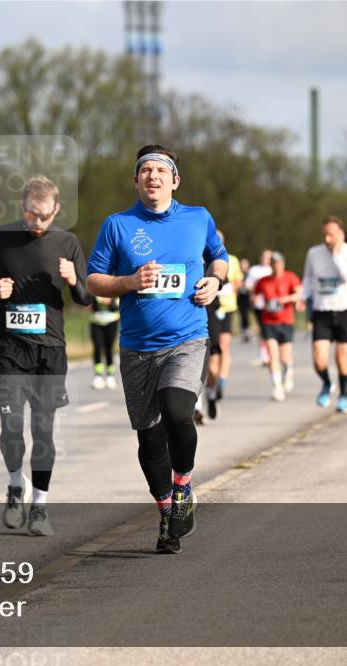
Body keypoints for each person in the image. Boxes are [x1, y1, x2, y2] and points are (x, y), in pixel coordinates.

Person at [87, 144, 228, 555]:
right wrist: (129, 282)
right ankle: (168, 511)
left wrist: (215, 282)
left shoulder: (198, 218)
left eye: (160, 171)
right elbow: (93, 280)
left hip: (187, 338)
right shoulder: (117, 225)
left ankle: (183, 486)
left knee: (177, 410)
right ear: (135, 180)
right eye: (145, 170)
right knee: (149, 437)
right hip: (136, 348)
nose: (153, 176)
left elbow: (220, 258)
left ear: (174, 180)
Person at [0, 175, 91, 537]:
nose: (38, 222)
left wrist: (75, 279)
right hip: (9, 349)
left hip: (49, 350)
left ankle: (40, 506)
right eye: (31, 214)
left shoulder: (68, 242)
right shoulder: (1, 238)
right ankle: (16, 485)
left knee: (42, 430)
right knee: (11, 427)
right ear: (22, 208)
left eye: (44, 215)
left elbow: (85, 297)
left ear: (56, 210)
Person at [301, 216, 347, 414]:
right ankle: (327, 383)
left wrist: (336, 256)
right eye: (324, 235)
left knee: (342, 359)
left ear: (341, 235)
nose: (327, 240)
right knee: (319, 359)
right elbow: (308, 278)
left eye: (331, 236)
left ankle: (343, 396)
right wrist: (303, 296)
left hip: (344, 310)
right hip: (322, 310)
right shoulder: (314, 253)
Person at [252, 252, 302, 401]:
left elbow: (298, 294)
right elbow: (255, 294)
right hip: (268, 322)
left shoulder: (290, 277)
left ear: (283, 264)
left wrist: (285, 299)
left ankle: (289, 371)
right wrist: (255, 301)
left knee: (285, 357)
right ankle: (277, 387)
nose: (276, 266)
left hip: (286, 320)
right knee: (273, 355)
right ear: (271, 265)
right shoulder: (263, 281)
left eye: (279, 263)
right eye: (273, 263)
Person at [203, 229, 241, 419]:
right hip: (207, 310)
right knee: (210, 355)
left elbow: (237, 283)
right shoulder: (199, 257)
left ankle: (220, 383)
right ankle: (211, 389)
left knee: (222, 348)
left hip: (226, 309)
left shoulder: (229, 260)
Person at [244, 250, 273, 364]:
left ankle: (272, 353)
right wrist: (254, 293)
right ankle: (263, 354)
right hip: (259, 304)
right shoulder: (254, 270)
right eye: (264, 257)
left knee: (271, 328)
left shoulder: (273, 270)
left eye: (268, 258)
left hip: (272, 304)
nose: (266, 260)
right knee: (262, 329)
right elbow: (248, 285)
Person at [89, 296, 120, 390]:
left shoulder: (114, 282)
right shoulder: (94, 282)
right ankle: (98, 376)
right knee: (97, 347)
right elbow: (89, 302)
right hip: (96, 321)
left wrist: (110, 302)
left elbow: (116, 304)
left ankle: (110, 376)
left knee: (109, 348)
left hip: (112, 321)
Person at [236, 256, 253, 342]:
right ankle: (244, 332)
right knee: (242, 315)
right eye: (241, 264)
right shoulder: (238, 274)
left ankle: (248, 331)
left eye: (245, 264)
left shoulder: (250, 274)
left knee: (247, 315)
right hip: (241, 297)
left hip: (248, 297)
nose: (243, 266)